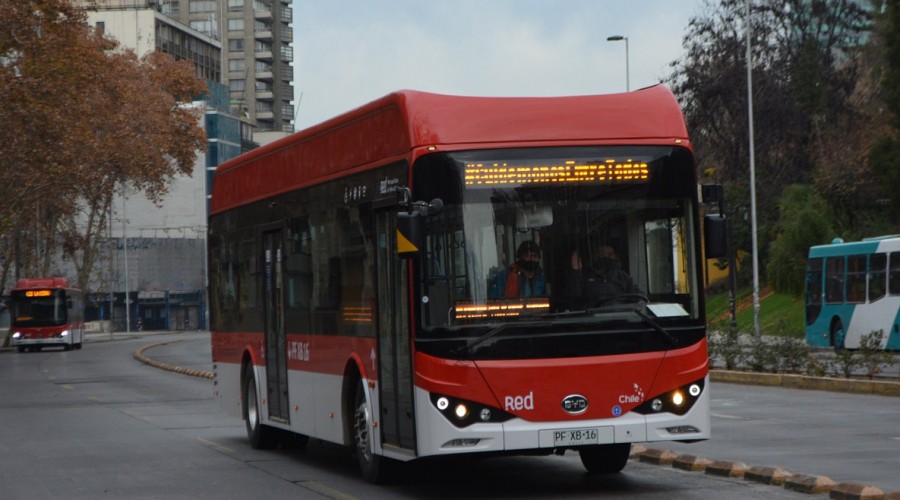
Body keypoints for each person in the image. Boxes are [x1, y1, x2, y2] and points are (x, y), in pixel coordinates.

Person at [565, 241, 645, 308]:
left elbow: (639, 295)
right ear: (595, 255)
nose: (606, 257)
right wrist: (576, 271)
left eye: (610, 254)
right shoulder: (585, 277)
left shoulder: (624, 278)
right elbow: (574, 297)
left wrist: (641, 301)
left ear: (615, 256)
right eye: (602, 253)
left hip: (621, 319)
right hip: (593, 322)